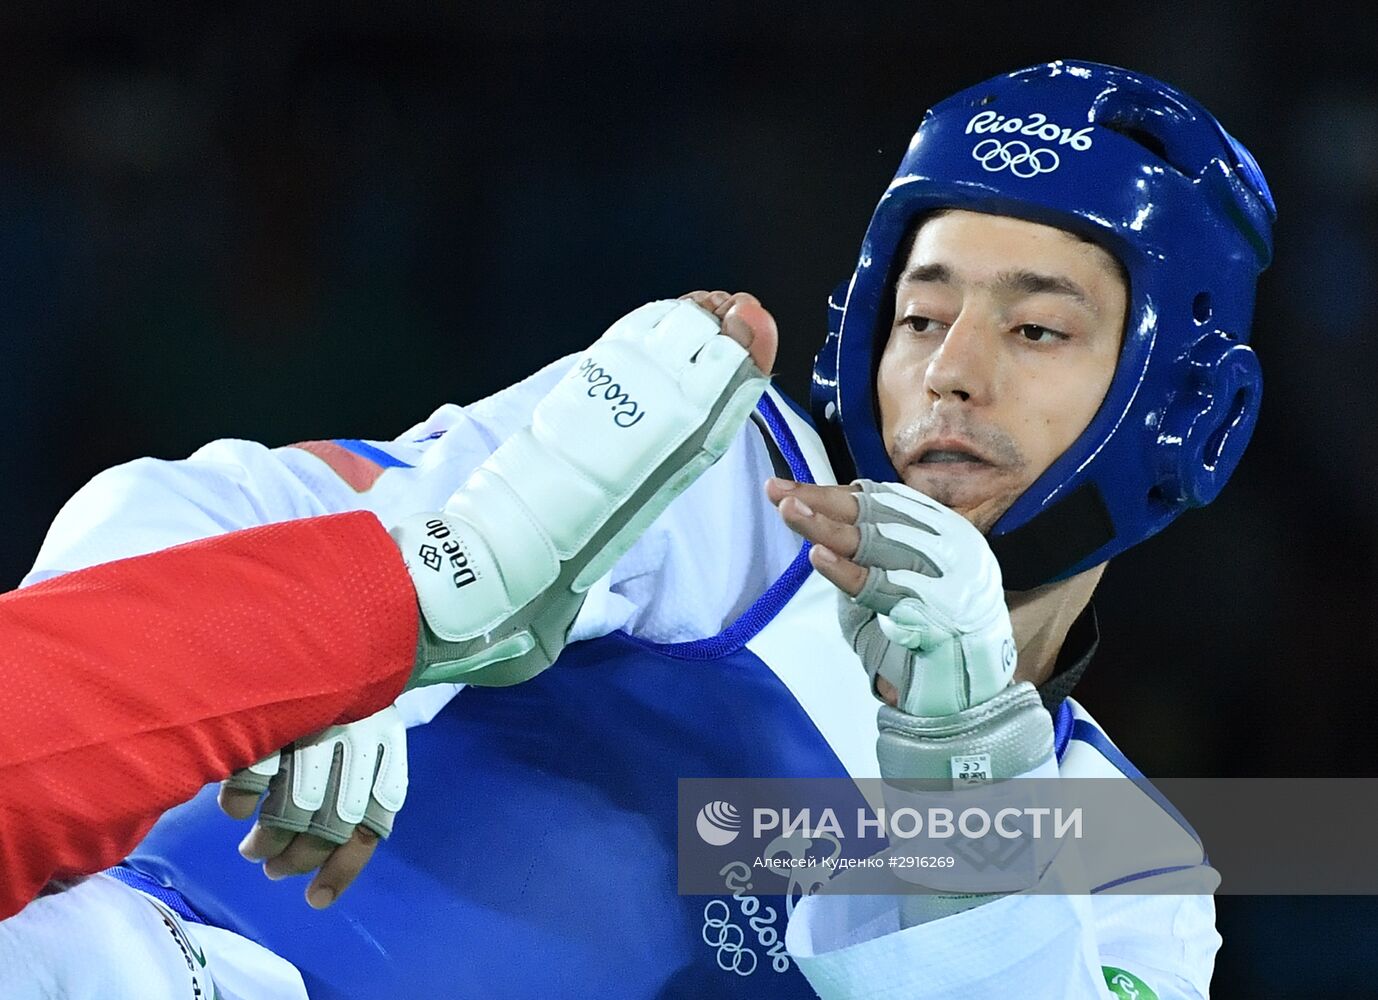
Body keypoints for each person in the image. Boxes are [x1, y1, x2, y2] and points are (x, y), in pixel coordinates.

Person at [0, 59, 1272, 999]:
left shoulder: (1128, 866)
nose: (948, 372)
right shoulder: (715, 467)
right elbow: (171, 520)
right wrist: (341, 635)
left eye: (1035, 328)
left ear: (1183, 413)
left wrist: (963, 765)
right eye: (918, 315)